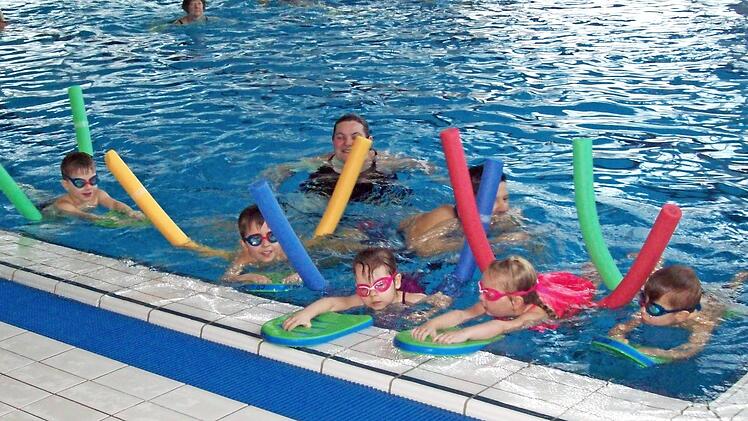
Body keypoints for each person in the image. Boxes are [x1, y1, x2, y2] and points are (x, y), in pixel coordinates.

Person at [412, 256, 595, 343]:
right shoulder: (493, 302)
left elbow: (502, 326)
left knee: (589, 285)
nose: (481, 296)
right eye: (482, 289)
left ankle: (594, 271)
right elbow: (462, 314)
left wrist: (465, 333)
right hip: (535, 289)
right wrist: (432, 324)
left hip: (565, 298)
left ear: (515, 302)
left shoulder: (535, 314)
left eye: (489, 293)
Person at [264, 113, 432, 203]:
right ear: (333, 141)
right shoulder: (322, 163)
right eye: (340, 137)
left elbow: (425, 166)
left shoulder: (384, 162)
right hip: (327, 196)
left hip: (376, 200)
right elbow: (280, 169)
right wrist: (274, 189)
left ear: (369, 141)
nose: (348, 143)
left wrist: (434, 174)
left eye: (355, 137)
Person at [281, 247, 451, 331]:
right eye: (364, 288)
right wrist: (306, 314)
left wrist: (424, 314)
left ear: (396, 281)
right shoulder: (361, 299)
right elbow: (331, 302)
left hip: (413, 282)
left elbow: (442, 302)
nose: (373, 294)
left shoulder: (411, 299)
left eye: (380, 285)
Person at [608, 265, 747, 361]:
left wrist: (657, 352)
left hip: (719, 301)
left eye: (654, 308)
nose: (643, 310)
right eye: (643, 299)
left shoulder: (700, 324)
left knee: (731, 289)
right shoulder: (648, 311)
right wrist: (618, 335)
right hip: (695, 299)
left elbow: (690, 350)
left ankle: (741, 277)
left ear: (680, 316)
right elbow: (621, 328)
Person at [399, 165, 527, 257]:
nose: (504, 208)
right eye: (493, 200)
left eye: (505, 199)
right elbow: (418, 248)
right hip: (400, 246)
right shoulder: (447, 216)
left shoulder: (501, 217)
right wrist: (495, 243)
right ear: (469, 202)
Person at [46, 152, 145, 224]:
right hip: (51, 215)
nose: (88, 187)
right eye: (80, 183)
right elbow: (83, 215)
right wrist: (101, 219)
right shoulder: (64, 205)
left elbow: (114, 204)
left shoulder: (98, 195)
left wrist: (130, 212)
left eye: (92, 180)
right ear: (66, 185)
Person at [222, 205, 301, 284]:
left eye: (272, 236)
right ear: (245, 245)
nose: (265, 244)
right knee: (226, 255)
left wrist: (300, 275)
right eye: (255, 239)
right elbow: (227, 279)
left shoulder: (287, 253)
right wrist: (247, 276)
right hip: (240, 254)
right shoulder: (246, 258)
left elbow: (307, 266)